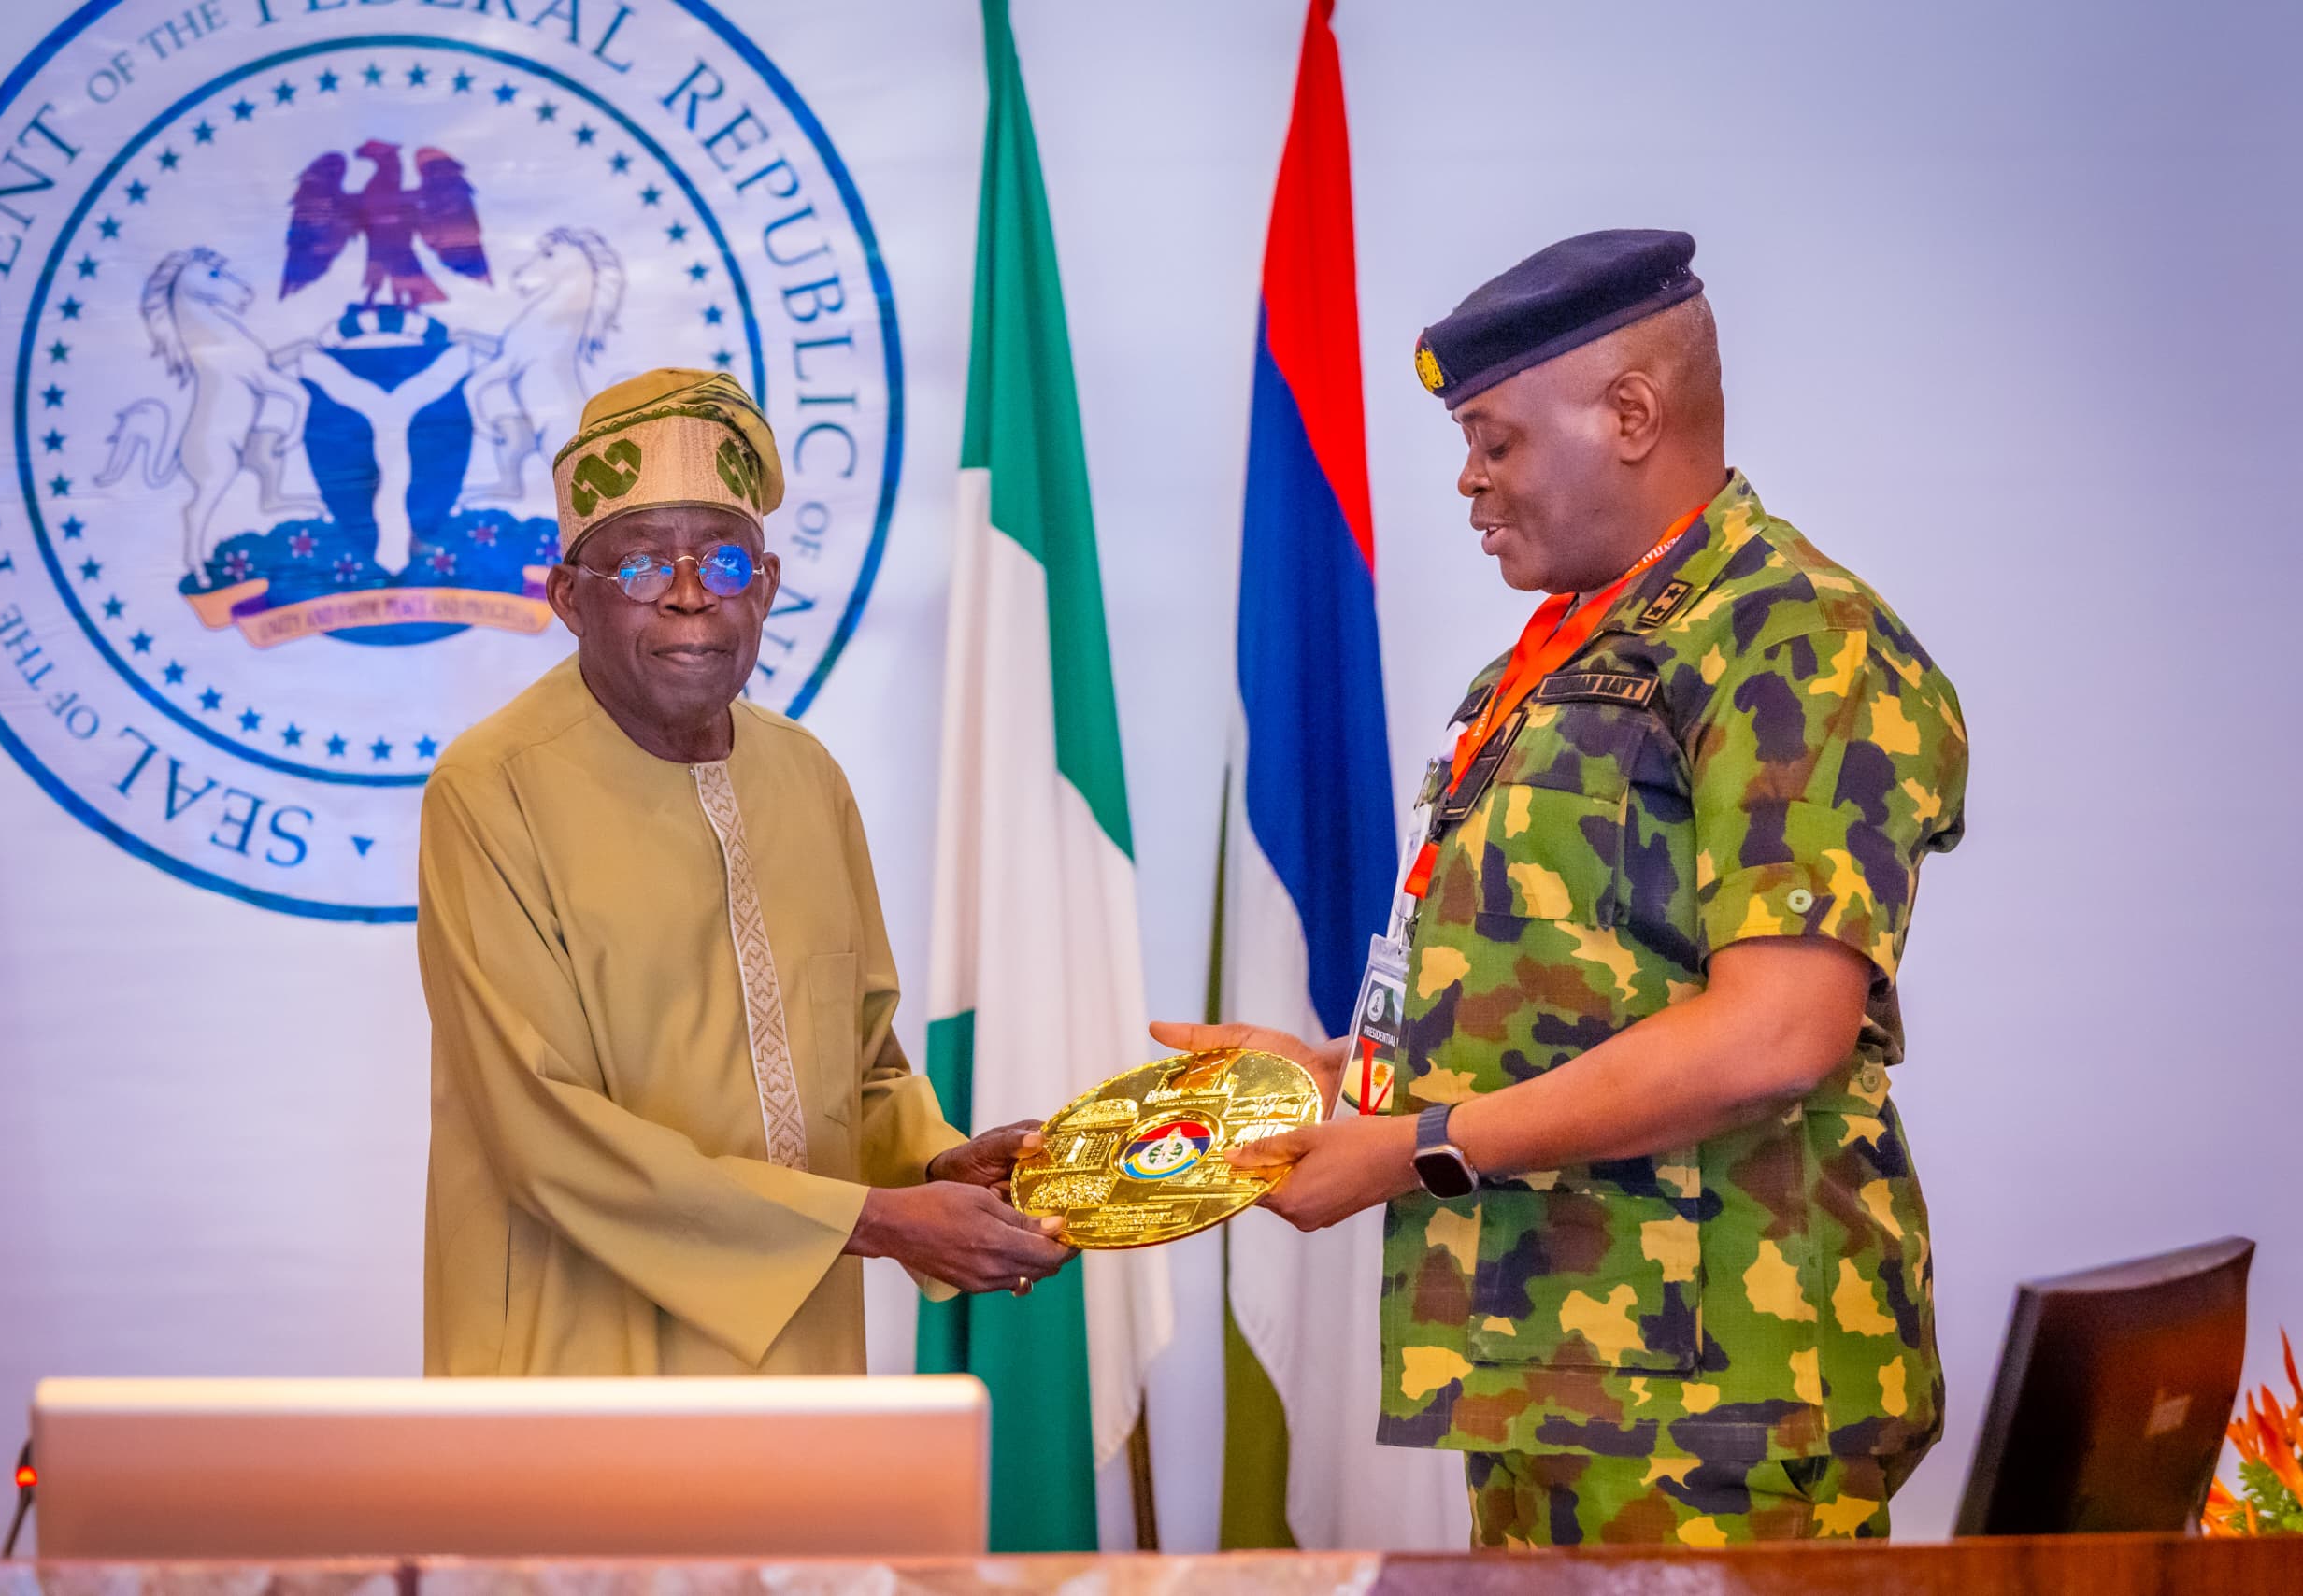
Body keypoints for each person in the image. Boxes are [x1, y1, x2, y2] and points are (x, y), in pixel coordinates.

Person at [1162, 231, 1967, 1546]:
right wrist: (1344, 1082)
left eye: (1496, 440)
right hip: (1561, 1375)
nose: (1471, 484)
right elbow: (1566, 1000)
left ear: (1631, 413)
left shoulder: (1791, 638)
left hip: (1725, 1398)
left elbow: (1776, 1031)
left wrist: (1414, 1152)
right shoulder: (1551, 663)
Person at [422, 368, 1071, 1377]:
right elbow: (541, 1130)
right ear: (565, 598)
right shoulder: (489, 787)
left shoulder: (804, 776)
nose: (688, 594)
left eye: (721, 560)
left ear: (762, 588)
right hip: (575, 1351)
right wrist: (881, 1220)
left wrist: (936, 1163)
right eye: (638, 568)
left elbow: (859, 1065)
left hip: (801, 1347)